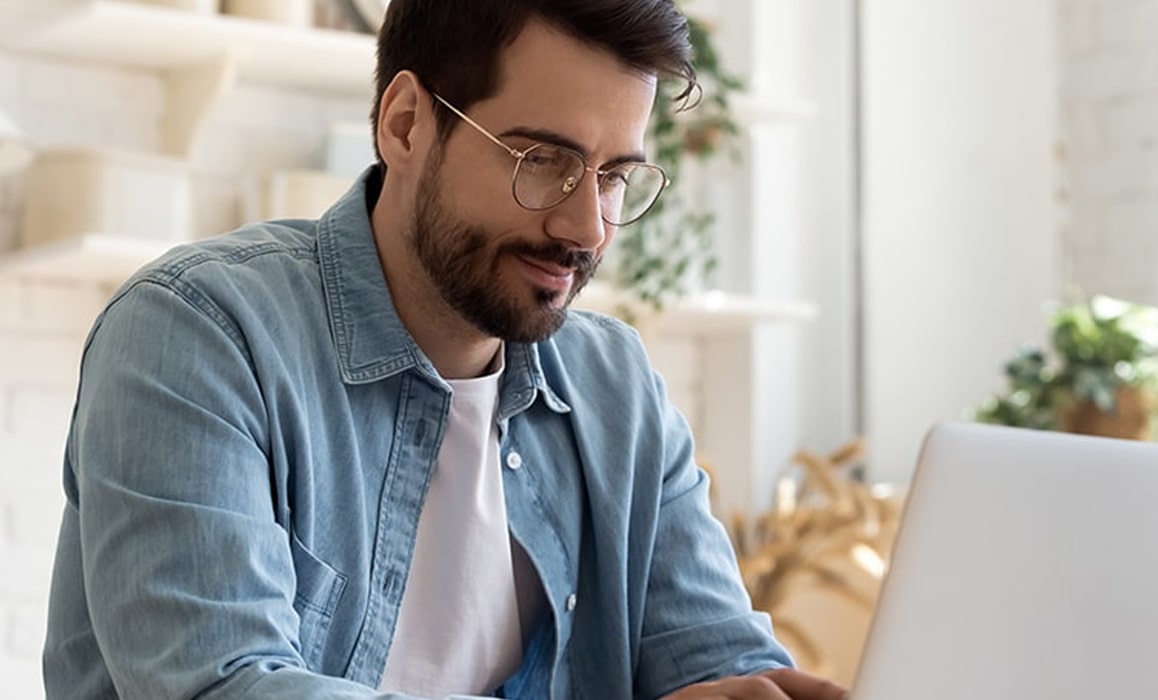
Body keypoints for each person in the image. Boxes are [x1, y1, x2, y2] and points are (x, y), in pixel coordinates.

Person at [43, 1, 849, 698]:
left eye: (613, 177)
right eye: (543, 162)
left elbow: (715, 664)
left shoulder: (616, 387)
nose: (586, 228)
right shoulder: (199, 335)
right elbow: (218, 687)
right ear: (403, 124)